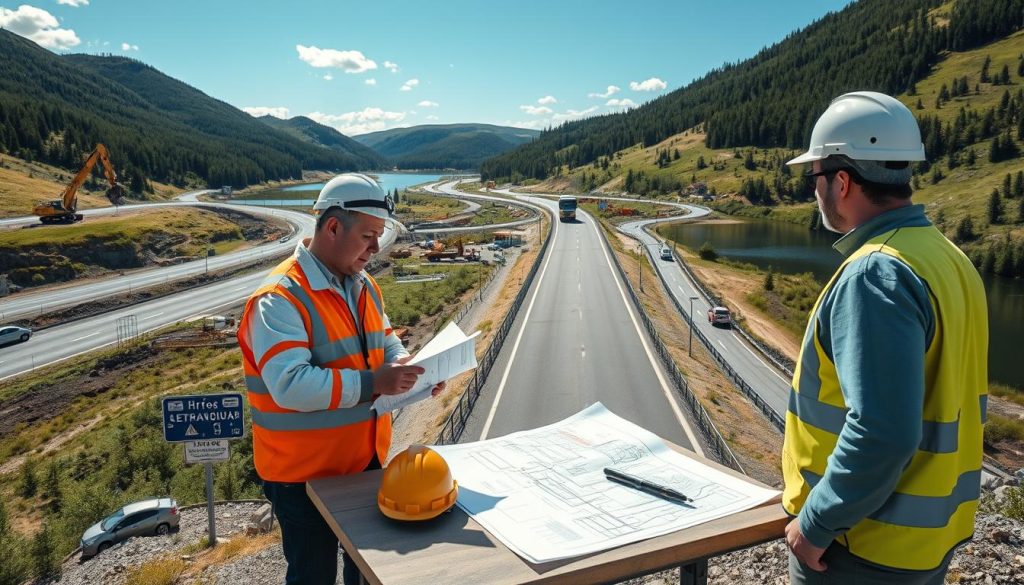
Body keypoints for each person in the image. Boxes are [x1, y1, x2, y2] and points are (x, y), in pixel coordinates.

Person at [782, 92, 988, 584]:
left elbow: (883, 431)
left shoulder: (875, 273)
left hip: (858, 546)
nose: (813, 192)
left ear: (843, 181)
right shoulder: (946, 257)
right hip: (923, 541)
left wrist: (816, 523)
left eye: (815, 178)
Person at [237, 173, 445, 585]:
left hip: (362, 463)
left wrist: (409, 368)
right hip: (302, 478)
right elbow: (291, 385)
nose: (375, 247)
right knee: (313, 575)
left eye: (379, 236)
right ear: (333, 227)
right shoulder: (279, 298)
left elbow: (383, 339)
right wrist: (374, 384)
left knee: (365, 568)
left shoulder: (363, 284)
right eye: (369, 235)